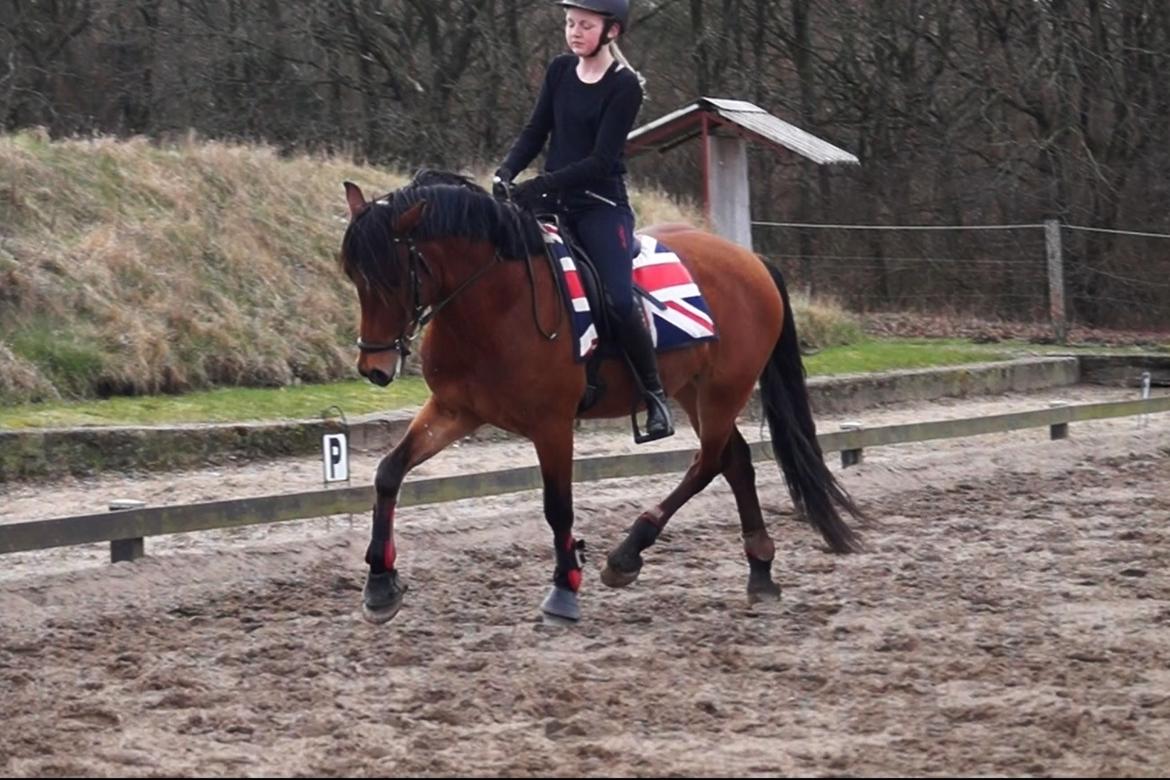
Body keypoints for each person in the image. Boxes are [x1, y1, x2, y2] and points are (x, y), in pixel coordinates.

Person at [493, 0, 673, 442]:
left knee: (614, 299)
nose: (574, 32)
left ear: (611, 32)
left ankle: (654, 396)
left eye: (585, 25)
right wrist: (506, 171)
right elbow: (536, 131)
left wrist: (540, 185)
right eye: (570, 23)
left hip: (599, 205)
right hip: (551, 200)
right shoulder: (558, 70)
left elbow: (599, 161)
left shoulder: (625, 86)